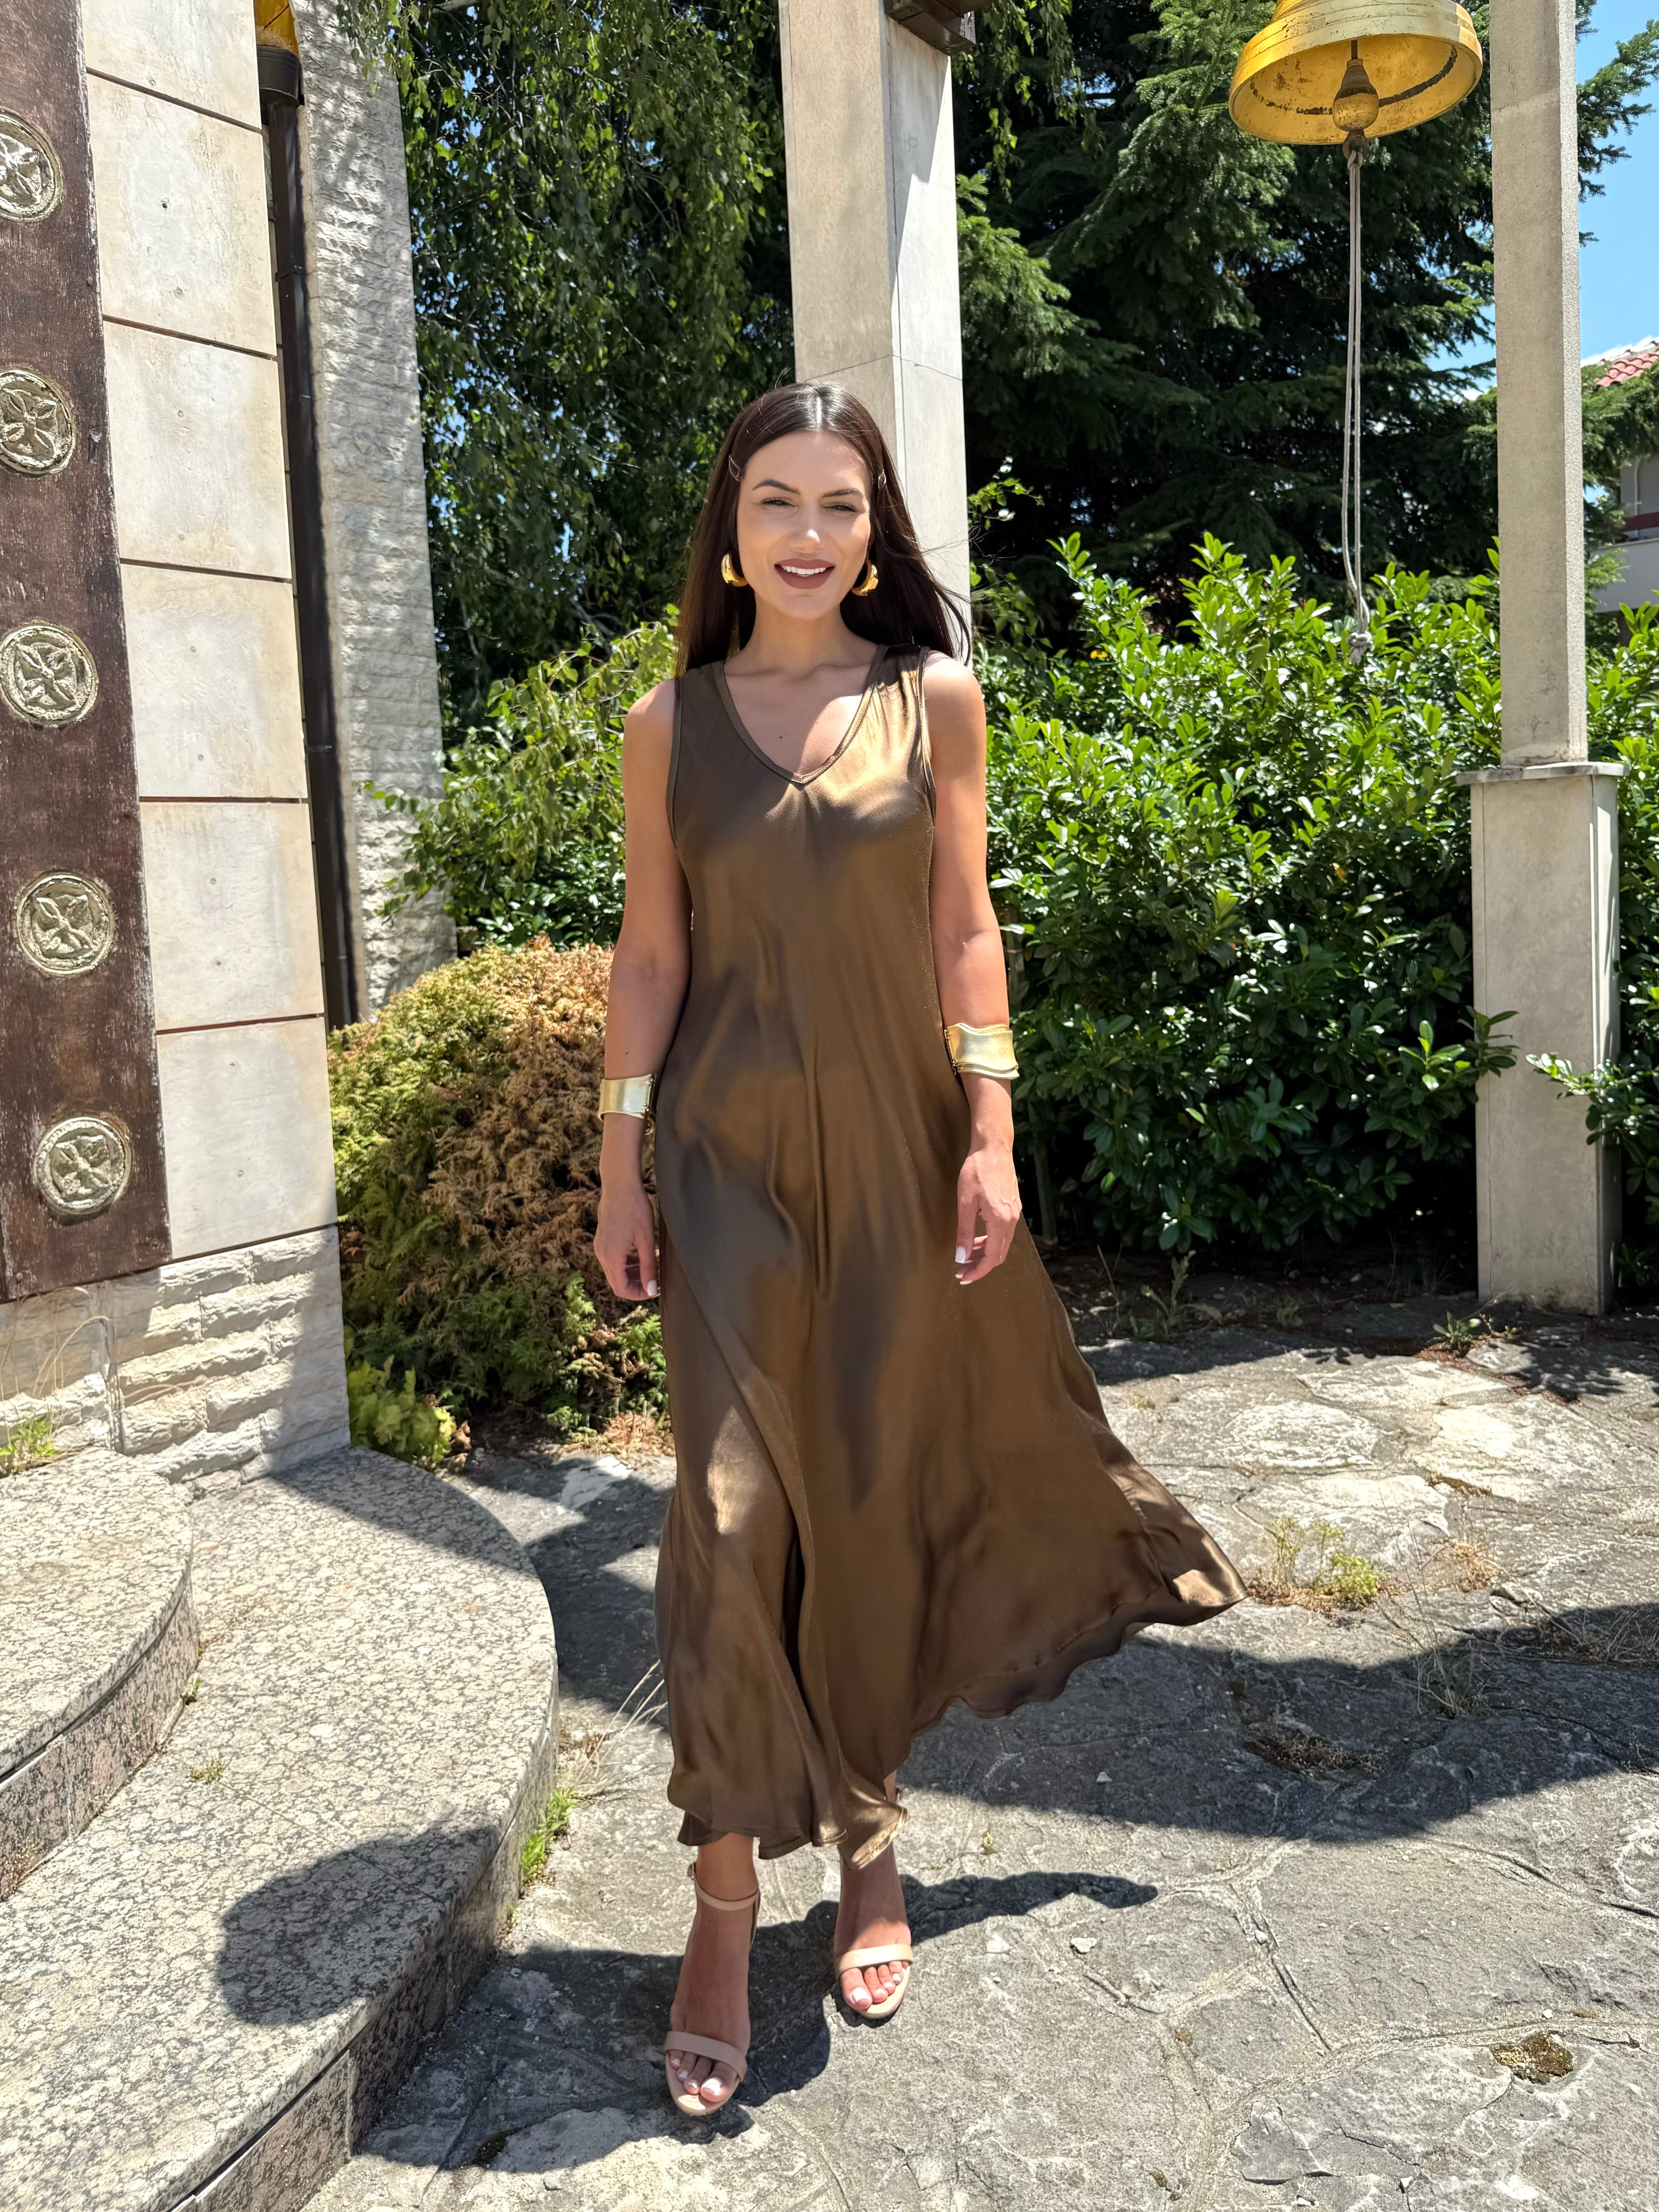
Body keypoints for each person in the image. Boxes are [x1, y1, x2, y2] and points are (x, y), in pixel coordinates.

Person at [593, 382, 1244, 2117]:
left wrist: (993, 1133)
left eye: (842, 505)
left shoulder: (933, 699)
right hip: (725, 1162)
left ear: (875, 532)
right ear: (730, 529)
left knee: (871, 1499)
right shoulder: (669, 722)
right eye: (777, 501)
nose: (809, 534)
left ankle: (868, 1833)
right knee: (730, 1513)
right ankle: (724, 1898)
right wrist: (618, 1166)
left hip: (897, 1150)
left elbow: (966, 930)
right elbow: (651, 955)